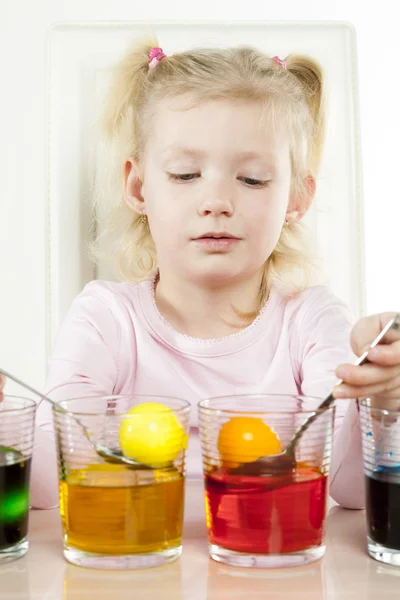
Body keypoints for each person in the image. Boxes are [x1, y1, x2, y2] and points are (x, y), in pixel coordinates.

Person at [2, 39, 399, 510]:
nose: (217, 202)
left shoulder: (312, 320)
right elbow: (49, 482)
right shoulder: (105, 318)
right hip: (137, 568)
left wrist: (387, 403)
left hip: (269, 568)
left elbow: (350, 490)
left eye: (252, 179)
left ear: (297, 198)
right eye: (186, 174)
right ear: (138, 186)